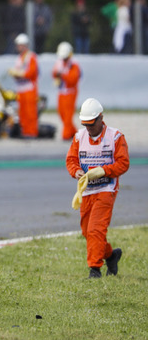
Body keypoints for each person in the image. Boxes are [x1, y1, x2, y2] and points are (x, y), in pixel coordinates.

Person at [66, 98, 129, 279]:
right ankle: (110, 255)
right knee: (88, 232)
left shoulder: (116, 137)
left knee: (96, 230)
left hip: (106, 190)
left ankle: (95, 270)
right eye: (85, 124)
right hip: (86, 192)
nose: (88, 128)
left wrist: (104, 171)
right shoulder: (79, 137)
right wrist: (76, 171)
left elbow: (123, 163)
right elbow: (71, 160)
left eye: (91, 124)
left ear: (101, 118)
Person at [8, 33, 39, 138]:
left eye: (20, 45)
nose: (18, 47)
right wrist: (14, 74)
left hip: (29, 88)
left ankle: (32, 132)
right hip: (21, 89)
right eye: (18, 45)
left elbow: (32, 72)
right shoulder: (18, 58)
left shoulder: (31, 57)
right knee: (22, 112)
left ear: (25, 45)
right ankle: (25, 131)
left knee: (31, 112)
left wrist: (20, 74)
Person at [52, 42, 82, 140]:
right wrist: (57, 75)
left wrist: (63, 75)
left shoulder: (74, 64)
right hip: (61, 92)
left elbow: (73, 79)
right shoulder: (59, 62)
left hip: (71, 92)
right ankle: (74, 132)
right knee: (62, 114)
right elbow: (53, 73)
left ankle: (66, 134)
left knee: (68, 115)